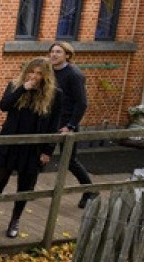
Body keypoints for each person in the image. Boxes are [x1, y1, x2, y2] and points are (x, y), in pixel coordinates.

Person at [0, 57, 61, 239]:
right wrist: (22, 89)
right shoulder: (15, 85)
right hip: (10, 142)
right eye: (31, 72)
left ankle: (15, 220)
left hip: (33, 147)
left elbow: (54, 124)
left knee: (25, 187)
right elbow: (4, 106)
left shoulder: (55, 94)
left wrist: (47, 151)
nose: (34, 76)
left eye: (39, 73)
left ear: (46, 76)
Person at [48, 42, 95, 208]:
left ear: (67, 55)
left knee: (69, 160)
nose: (54, 55)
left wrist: (71, 125)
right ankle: (28, 190)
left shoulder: (74, 75)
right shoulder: (50, 71)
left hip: (66, 123)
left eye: (58, 52)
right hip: (50, 120)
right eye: (52, 51)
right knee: (38, 152)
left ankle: (90, 191)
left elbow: (81, 103)